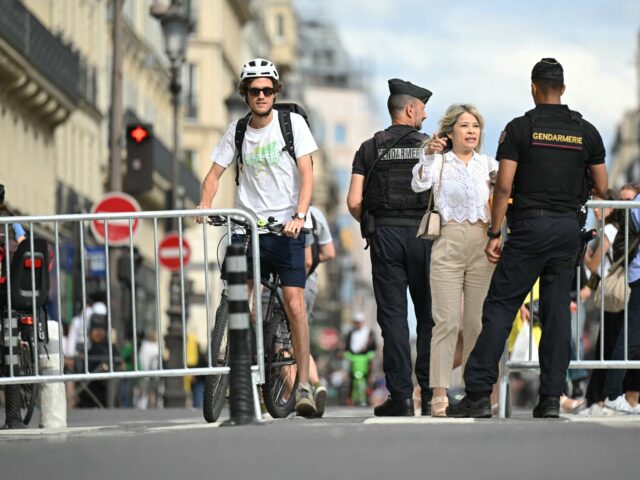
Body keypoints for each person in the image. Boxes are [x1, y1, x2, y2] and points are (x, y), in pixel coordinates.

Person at [447, 58, 608, 418]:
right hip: (567, 231)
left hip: (529, 230)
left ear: (533, 88)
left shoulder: (520, 128)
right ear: (563, 89)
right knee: (555, 316)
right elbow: (602, 185)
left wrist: (494, 232)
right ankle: (551, 398)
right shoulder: (587, 131)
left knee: (500, 308)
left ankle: (477, 394)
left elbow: (503, 185)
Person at [197, 58, 318, 417]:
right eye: (254, 91)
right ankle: (235, 358)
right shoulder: (236, 131)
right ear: (245, 95)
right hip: (245, 225)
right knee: (236, 294)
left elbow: (307, 174)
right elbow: (214, 174)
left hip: (286, 226)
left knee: (295, 303)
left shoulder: (291, 124)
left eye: (267, 90)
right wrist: (204, 203)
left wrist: (299, 215)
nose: (261, 96)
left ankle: (305, 385)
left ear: (275, 92)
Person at [347, 78, 434, 416]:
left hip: (384, 235)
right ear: (410, 109)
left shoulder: (369, 148)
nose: (425, 116)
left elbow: (354, 200)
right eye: (423, 109)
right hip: (425, 236)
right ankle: (429, 394)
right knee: (429, 317)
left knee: (394, 318)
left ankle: (400, 398)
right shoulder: (430, 146)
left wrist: (370, 223)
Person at [412, 104, 498, 416]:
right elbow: (419, 183)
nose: (471, 131)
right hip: (447, 241)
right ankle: (438, 393)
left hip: (482, 244)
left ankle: (476, 393)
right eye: (464, 125)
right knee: (445, 322)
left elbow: (502, 196)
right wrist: (429, 153)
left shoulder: (488, 164)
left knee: (477, 322)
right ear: (450, 132)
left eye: (475, 125)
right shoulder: (440, 162)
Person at [583, 185, 640, 414]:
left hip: (615, 292)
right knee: (622, 343)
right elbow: (602, 270)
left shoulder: (609, 229)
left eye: (599, 203)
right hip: (616, 289)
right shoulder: (612, 227)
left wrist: (586, 258)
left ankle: (603, 398)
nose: (596, 210)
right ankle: (610, 396)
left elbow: (597, 268)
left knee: (613, 344)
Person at [304, 205, 336, 417]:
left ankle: (304, 393)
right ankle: (316, 384)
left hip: (283, 280)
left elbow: (305, 259)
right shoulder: (316, 214)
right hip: (310, 282)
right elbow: (330, 253)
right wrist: (313, 259)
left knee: (282, 344)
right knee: (300, 339)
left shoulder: (277, 210)